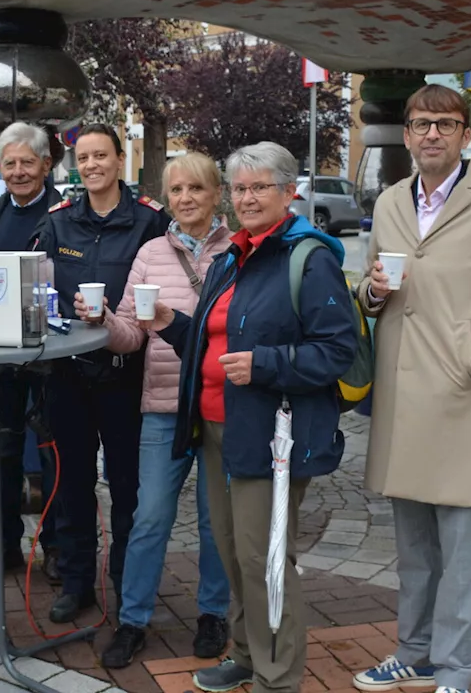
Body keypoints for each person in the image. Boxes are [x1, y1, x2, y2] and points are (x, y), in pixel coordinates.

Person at [351, 85, 471, 693]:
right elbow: (367, 286)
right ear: (406, 135)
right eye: (420, 124)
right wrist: (373, 292)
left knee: (460, 552)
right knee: (412, 548)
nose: (431, 133)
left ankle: (457, 667)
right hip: (401, 400)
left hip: (462, 398)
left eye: (445, 123)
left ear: (466, 135)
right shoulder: (388, 203)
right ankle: (415, 653)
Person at [147, 142, 358, 693]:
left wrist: (267, 364)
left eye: (259, 187)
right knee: (234, 554)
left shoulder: (308, 259)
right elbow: (214, 343)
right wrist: (171, 323)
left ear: (290, 192)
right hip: (219, 430)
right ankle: (244, 654)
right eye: (239, 188)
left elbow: (336, 351)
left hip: (275, 435)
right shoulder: (231, 258)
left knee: (265, 560)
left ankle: (278, 676)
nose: (247, 198)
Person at [76, 152, 232, 668]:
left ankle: (212, 613)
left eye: (196, 189)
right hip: (163, 405)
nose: (186, 199)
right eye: (176, 191)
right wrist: (101, 320)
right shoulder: (149, 253)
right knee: (149, 518)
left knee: (216, 521)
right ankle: (134, 619)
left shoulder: (240, 250)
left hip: (220, 406)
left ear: (216, 194)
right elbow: (127, 336)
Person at [33, 123, 170, 623]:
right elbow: (39, 288)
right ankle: (76, 583)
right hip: (67, 375)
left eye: (100, 156)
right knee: (72, 484)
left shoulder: (150, 221)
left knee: (129, 486)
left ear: (119, 160)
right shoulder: (59, 221)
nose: (91, 165)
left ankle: (125, 582)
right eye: (83, 157)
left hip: (126, 374)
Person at [0, 121, 65, 582]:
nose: (18, 171)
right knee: (3, 450)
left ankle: (54, 546)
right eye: (9, 163)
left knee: (52, 450)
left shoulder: (65, 214)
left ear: (46, 165)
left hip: (52, 353)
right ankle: (6, 544)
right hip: (1, 352)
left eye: (27, 162)